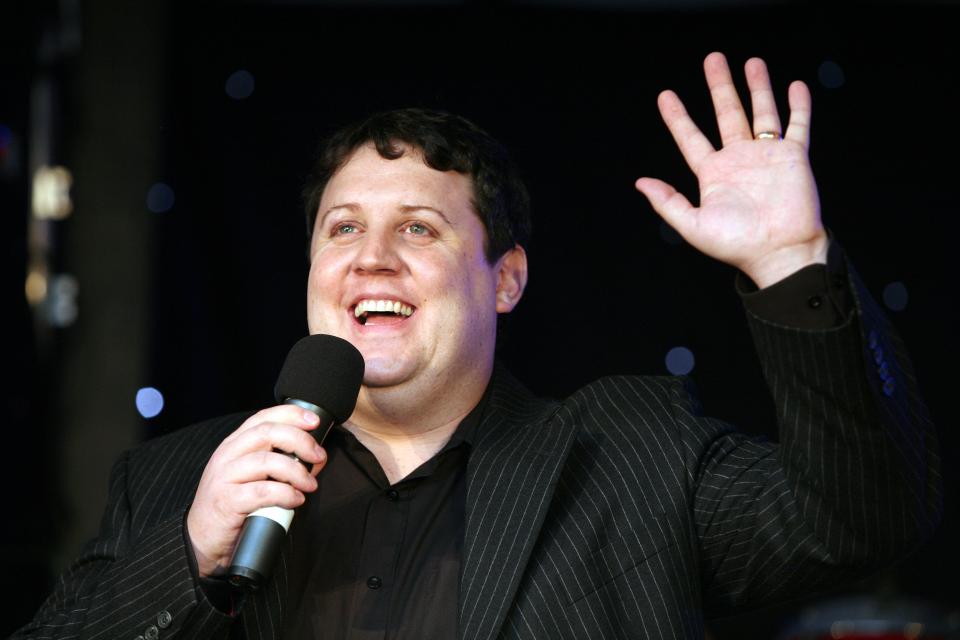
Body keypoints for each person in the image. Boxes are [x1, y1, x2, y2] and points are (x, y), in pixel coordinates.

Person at [14, 52, 940, 639]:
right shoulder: (177, 483)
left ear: (505, 278)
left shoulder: (632, 454)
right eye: (342, 229)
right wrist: (188, 554)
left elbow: (862, 516)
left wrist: (791, 264)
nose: (371, 258)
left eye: (419, 229)